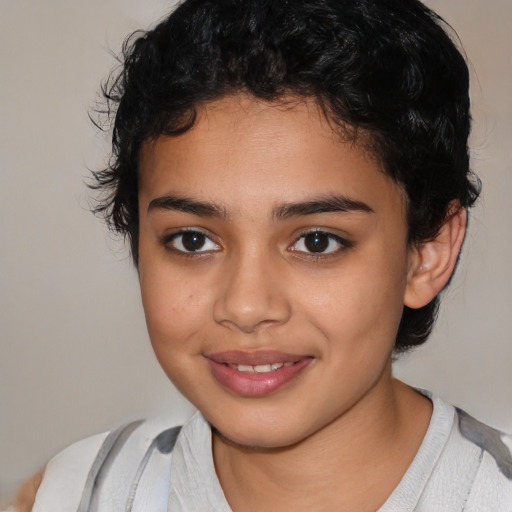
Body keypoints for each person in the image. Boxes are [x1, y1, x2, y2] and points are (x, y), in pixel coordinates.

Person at [12, 0, 512, 510]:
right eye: (193, 240)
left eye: (317, 241)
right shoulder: (73, 495)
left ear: (427, 251)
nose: (246, 307)